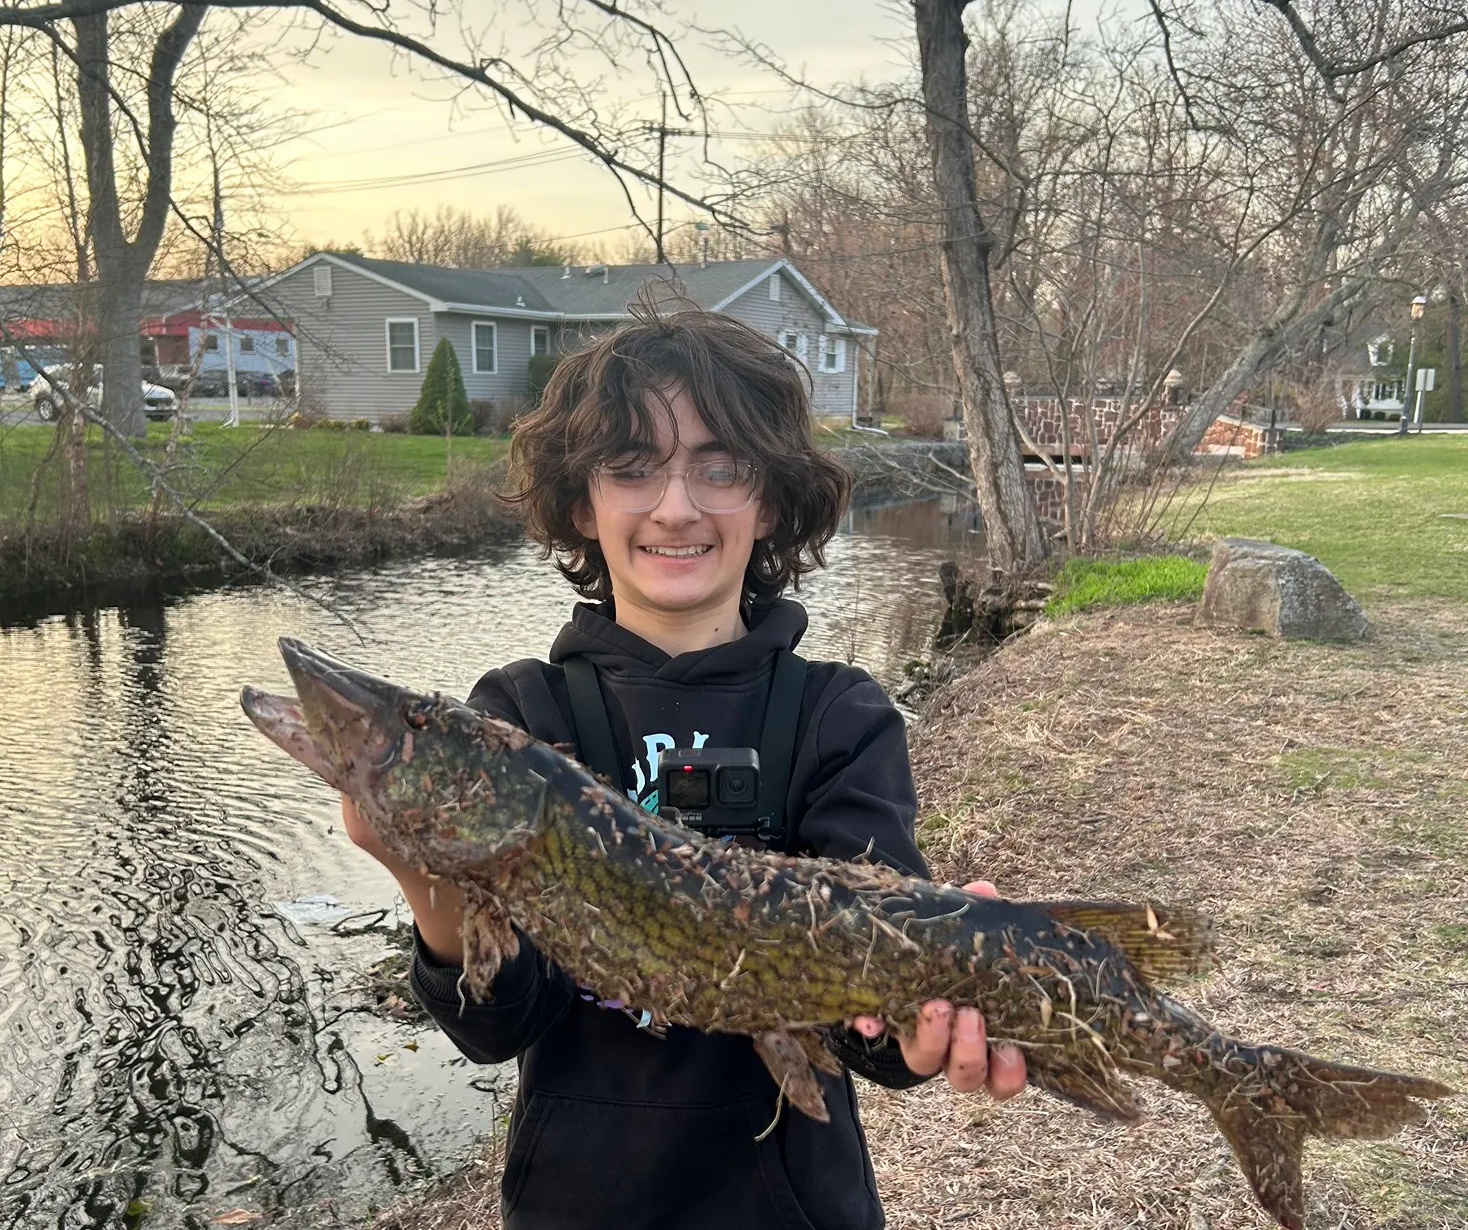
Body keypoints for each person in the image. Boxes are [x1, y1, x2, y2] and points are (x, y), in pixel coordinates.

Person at [341, 306, 1026, 1229]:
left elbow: (870, 1046)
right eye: (632, 468)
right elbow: (497, 1024)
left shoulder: (839, 716)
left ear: (771, 498)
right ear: (582, 502)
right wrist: (422, 872)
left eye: (720, 465)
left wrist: (930, 1010)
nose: (676, 505)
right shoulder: (521, 720)